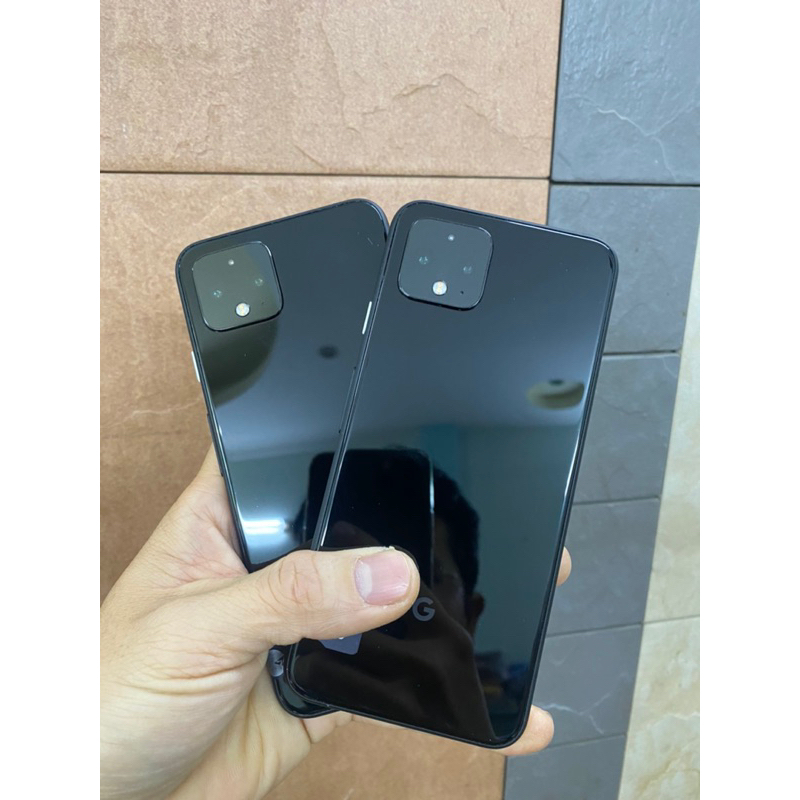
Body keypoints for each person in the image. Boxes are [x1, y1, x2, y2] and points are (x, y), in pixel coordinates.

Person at [100, 448, 572, 799]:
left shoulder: (490, 711)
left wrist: (467, 717)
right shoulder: (254, 695)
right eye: (338, 569)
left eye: (429, 575)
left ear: (472, 613)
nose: (393, 594)